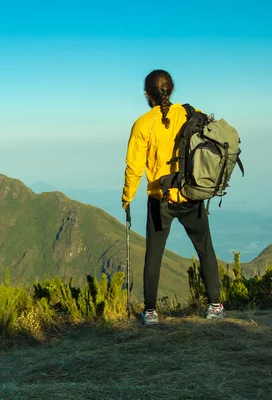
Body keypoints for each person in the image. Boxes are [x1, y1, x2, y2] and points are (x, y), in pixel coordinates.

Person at [121, 69, 224, 325]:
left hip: (160, 199)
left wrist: (127, 197)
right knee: (205, 249)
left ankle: (151, 312)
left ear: (148, 94)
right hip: (192, 194)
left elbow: (134, 167)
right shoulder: (191, 113)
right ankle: (214, 306)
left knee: (153, 255)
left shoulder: (143, 124)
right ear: (172, 89)